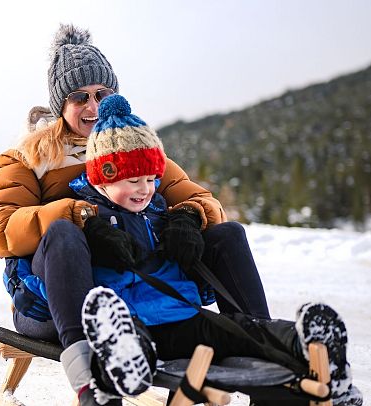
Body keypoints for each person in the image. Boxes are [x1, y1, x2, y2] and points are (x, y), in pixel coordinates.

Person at [0, 24, 265, 405]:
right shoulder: (27, 158)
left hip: (138, 291)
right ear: (60, 103)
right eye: (80, 96)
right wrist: (78, 214)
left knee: (226, 235)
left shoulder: (131, 148)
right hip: (53, 300)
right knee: (64, 234)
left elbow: (202, 200)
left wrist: (189, 216)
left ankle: (264, 361)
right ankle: (92, 383)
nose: (93, 106)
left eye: (102, 94)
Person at [71, 93, 361, 405]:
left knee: (246, 331)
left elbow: (199, 226)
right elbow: (61, 274)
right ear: (102, 179)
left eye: (150, 178)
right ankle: (122, 360)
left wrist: (187, 225)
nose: (144, 189)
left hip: (185, 317)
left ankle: (310, 347)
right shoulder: (87, 218)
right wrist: (91, 236)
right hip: (133, 323)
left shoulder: (160, 212)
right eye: (132, 180)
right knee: (129, 341)